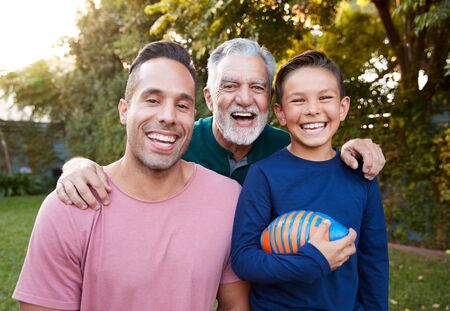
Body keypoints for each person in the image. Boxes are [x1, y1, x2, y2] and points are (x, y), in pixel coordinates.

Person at [13, 41, 250, 311]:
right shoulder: (69, 206)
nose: (168, 116)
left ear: (193, 116)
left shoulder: (228, 199)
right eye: (153, 100)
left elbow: (235, 305)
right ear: (124, 111)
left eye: (182, 105)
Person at [54, 38, 386, 210]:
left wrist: (354, 149)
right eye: (230, 86)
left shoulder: (283, 147)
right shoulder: (178, 142)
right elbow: (128, 170)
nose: (244, 99)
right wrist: (77, 165)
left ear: (271, 101)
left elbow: (322, 159)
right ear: (210, 99)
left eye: (256, 88)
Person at [231, 50, 389, 310]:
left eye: (325, 97)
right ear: (280, 113)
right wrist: (312, 262)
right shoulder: (263, 175)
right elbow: (244, 258)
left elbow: (374, 261)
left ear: (343, 107)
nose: (313, 110)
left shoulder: (362, 175)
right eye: (298, 100)